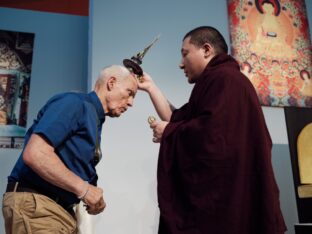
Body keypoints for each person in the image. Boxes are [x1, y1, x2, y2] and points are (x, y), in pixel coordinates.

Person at [138, 26, 286, 234]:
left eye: (185, 54)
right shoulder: (215, 81)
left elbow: (213, 136)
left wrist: (170, 133)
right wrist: (151, 87)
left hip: (228, 202)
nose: (181, 64)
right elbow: (178, 118)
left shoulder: (226, 80)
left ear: (206, 50)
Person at [2, 65, 138, 233]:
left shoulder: (93, 117)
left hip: (57, 211)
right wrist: (85, 189)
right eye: (130, 93)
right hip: (40, 208)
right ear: (111, 82)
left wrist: (93, 197)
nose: (131, 102)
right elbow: (35, 154)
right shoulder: (75, 103)